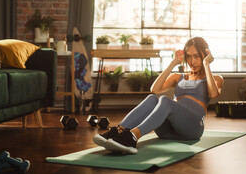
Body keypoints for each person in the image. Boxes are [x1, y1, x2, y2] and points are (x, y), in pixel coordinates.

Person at [93, 37, 224, 154]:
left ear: (205, 55)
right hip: (168, 131)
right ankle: (119, 131)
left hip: (192, 128)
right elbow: (154, 89)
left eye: (197, 56)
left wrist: (207, 64)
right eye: (189, 56)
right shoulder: (178, 77)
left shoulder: (215, 78)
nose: (192, 61)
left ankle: (132, 137)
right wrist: (173, 63)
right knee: (152, 99)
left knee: (165, 101)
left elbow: (213, 94)